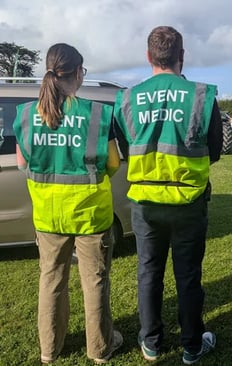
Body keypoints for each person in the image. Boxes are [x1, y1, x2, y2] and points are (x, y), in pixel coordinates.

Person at [113, 26, 222, 364]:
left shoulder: (127, 98)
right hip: (188, 201)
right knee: (188, 276)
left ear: (149, 56)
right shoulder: (201, 96)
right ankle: (191, 346)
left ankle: (151, 342)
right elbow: (215, 150)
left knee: (149, 272)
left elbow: (125, 147)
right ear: (182, 55)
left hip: (145, 203)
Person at [13, 43, 123, 364]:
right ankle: (100, 349)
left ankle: (49, 349)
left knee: (51, 280)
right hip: (91, 214)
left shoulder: (25, 115)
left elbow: (23, 163)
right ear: (77, 73)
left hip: (48, 215)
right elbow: (113, 164)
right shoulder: (98, 114)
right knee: (95, 282)